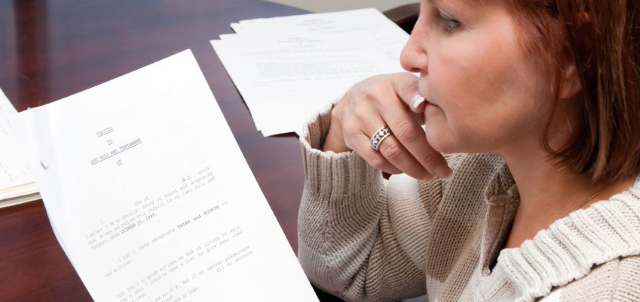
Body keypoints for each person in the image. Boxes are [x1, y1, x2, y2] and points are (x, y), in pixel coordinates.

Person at [296, 0, 640, 301]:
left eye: (449, 20)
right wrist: (343, 125)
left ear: (573, 54)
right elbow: (349, 270)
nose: (408, 55)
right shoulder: (481, 168)